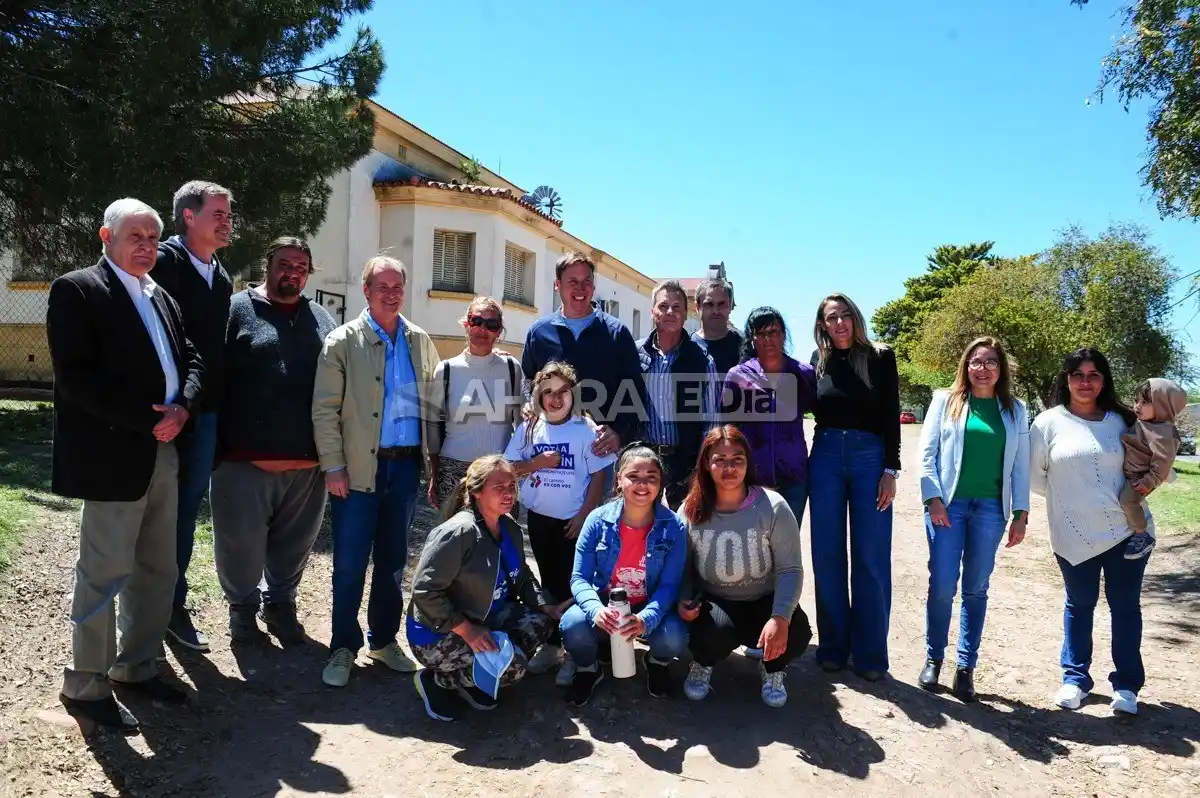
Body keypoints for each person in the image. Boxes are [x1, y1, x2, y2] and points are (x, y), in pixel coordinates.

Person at [48, 198, 203, 731]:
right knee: (103, 572)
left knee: (158, 568)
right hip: (114, 453)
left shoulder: (161, 296)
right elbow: (75, 379)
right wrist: (147, 419)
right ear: (105, 236)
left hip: (164, 449)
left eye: (151, 238)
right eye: (133, 235)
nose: (144, 246)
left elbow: (192, 358)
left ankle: (136, 668)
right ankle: (86, 684)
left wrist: (184, 405)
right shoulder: (78, 290)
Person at [312, 255, 441, 687]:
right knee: (349, 563)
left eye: (397, 286)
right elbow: (325, 411)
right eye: (381, 286)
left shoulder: (420, 341)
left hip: (404, 471)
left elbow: (433, 408)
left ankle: (383, 641)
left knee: (391, 563)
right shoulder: (342, 341)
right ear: (365, 291)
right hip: (357, 470)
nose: (390, 293)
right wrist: (333, 466)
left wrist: (432, 466)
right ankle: (342, 648)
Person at [211, 238, 336, 645]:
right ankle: (243, 611)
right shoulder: (234, 310)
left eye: (302, 266)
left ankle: (280, 604)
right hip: (245, 462)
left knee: (295, 546)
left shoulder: (321, 318)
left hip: (307, 465)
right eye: (286, 264)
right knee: (239, 546)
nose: (294, 272)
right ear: (268, 265)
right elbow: (213, 375)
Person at [1032, 348, 1156, 716]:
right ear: (1066, 379)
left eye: (1094, 374)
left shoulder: (1123, 421)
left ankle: (1127, 686)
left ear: (1104, 380)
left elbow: (1149, 464)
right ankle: (1075, 679)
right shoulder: (1047, 423)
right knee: (1079, 605)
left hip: (1126, 532)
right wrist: (1075, 500)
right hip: (1072, 534)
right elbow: (1038, 478)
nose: (1085, 382)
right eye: (1077, 374)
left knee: (1125, 608)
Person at [917, 337, 1030, 702]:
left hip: (991, 511)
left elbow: (1021, 465)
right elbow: (927, 453)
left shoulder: (1015, 411)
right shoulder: (944, 401)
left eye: (991, 362)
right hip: (949, 506)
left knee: (976, 588)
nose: (983, 369)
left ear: (1002, 369)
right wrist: (932, 498)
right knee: (943, 585)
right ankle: (934, 657)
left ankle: (966, 668)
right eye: (976, 362)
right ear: (966, 366)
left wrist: (1021, 513)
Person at [407, 455, 557, 722]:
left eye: (512, 485)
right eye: (499, 487)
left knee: (541, 622)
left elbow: (521, 577)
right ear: (476, 492)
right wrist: (468, 631)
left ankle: (476, 678)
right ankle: (437, 680)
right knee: (514, 668)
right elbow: (425, 591)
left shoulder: (508, 526)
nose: (509, 493)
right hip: (437, 633)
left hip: (485, 617)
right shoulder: (458, 532)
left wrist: (544, 604)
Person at [150, 180, 234, 652]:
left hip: (204, 414)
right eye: (217, 214)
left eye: (228, 214)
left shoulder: (220, 276)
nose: (226, 222)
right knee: (155, 513)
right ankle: (151, 608)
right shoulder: (163, 262)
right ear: (188, 216)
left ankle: (172, 607)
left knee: (185, 513)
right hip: (165, 411)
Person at [676, 425, 811, 708]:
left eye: (737, 459)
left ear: (748, 463)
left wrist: (781, 617)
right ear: (706, 464)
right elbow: (682, 566)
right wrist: (684, 599)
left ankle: (772, 666)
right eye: (719, 460)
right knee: (707, 633)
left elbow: (790, 569)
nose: (729, 467)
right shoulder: (690, 509)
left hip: (763, 599)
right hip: (716, 602)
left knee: (797, 631)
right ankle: (703, 662)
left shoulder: (772, 506)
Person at [503, 361, 616, 681]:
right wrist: (537, 462)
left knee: (573, 583)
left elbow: (598, 475)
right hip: (539, 519)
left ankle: (575, 651)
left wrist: (584, 516)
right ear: (538, 394)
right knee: (548, 582)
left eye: (563, 391)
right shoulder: (529, 427)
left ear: (573, 394)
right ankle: (552, 646)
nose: (555, 398)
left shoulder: (585, 428)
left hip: (573, 522)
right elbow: (510, 468)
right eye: (548, 391)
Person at [808, 293, 900, 681]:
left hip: (869, 458)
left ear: (855, 318)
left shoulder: (880, 356)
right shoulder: (818, 362)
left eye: (846, 315)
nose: (840, 323)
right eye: (832, 318)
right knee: (827, 555)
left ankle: (870, 656)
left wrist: (891, 469)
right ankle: (832, 647)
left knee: (871, 557)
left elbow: (891, 414)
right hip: (826, 454)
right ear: (823, 324)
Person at [559, 445, 689, 706]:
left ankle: (656, 662)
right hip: (605, 603)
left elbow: (670, 584)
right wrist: (596, 610)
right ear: (619, 478)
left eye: (651, 477)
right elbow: (579, 578)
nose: (642, 484)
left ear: (660, 482)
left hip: (647, 603)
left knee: (674, 634)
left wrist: (645, 618)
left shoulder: (673, 526)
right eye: (634, 476)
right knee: (572, 625)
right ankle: (588, 668)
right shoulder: (597, 520)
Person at [522, 251, 647, 461]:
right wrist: (529, 403)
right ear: (557, 284)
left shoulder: (617, 333)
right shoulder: (539, 332)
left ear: (594, 286)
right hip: (550, 449)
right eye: (572, 281)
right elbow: (527, 379)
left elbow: (634, 392)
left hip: (600, 450)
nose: (580, 288)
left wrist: (619, 433)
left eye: (586, 281)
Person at [722, 307, 817, 525]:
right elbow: (727, 426)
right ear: (752, 339)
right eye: (761, 333)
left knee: (787, 544)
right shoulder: (737, 376)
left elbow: (822, 415)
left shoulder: (803, 374)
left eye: (773, 332)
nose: (768, 339)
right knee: (753, 547)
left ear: (783, 334)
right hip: (752, 478)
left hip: (794, 477)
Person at [426, 297, 522, 510]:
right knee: (455, 540)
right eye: (476, 321)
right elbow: (433, 426)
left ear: (499, 331)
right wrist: (434, 473)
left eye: (491, 324)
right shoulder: (446, 369)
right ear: (466, 324)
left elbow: (521, 423)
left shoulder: (511, 368)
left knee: (499, 540)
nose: (482, 329)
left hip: (499, 473)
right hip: (454, 472)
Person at [636, 280, 718, 509]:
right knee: (642, 527)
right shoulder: (634, 354)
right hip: (642, 458)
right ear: (652, 312)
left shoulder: (701, 360)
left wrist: (701, 469)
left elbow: (711, 422)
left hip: (685, 462)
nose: (670, 312)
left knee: (685, 531)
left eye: (676, 307)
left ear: (685, 313)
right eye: (663, 306)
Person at [1119, 378, 1186, 559]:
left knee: (1127, 501)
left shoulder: (1163, 433)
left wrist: (1149, 481)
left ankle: (1142, 535)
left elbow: (1164, 461)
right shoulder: (1147, 422)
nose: (1138, 406)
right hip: (1133, 472)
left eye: (1146, 402)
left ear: (1164, 406)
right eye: (1137, 401)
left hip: (1142, 478)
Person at [691, 277, 744, 381]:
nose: (716, 310)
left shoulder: (745, 345)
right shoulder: (684, 347)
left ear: (730, 306)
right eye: (709, 304)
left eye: (721, 304)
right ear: (697, 307)